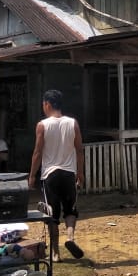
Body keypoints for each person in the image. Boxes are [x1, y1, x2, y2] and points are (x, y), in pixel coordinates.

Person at [28, 89, 85, 261]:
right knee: (70, 210)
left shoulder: (42, 125)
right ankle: (70, 238)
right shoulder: (73, 123)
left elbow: (37, 152)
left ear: (47, 104)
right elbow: (79, 150)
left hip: (50, 175)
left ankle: (55, 253)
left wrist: (32, 175)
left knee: (52, 214)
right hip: (69, 174)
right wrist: (80, 173)